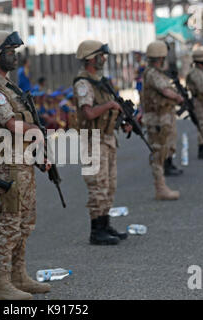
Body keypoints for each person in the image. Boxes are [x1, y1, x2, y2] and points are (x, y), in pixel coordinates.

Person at [0, 30, 51, 300]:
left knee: (25, 222)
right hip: (7, 165)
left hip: (22, 160)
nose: (14, 55)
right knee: (9, 223)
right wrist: (39, 132)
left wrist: (38, 153)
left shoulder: (10, 88)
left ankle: (19, 276)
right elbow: (12, 124)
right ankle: (2, 284)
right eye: (10, 50)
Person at [73, 40, 130, 245]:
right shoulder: (84, 84)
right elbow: (88, 113)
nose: (104, 58)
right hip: (93, 140)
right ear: (91, 58)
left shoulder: (101, 81)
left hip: (107, 138)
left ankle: (105, 224)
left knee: (109, 185)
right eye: (101, 55)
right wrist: (110, 105)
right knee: (97, 185)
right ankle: (96, 230)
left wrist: (122, 122)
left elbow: (110, 111)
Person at [142, 40, 184, 201]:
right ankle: (160, 188)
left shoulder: (156, 72)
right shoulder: (152, 73)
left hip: (162, 117)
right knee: (158, 153)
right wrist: (178, 97)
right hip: (157, 120)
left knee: (163, 150)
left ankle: (162, 186)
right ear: (161, 57)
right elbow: (165, 91)